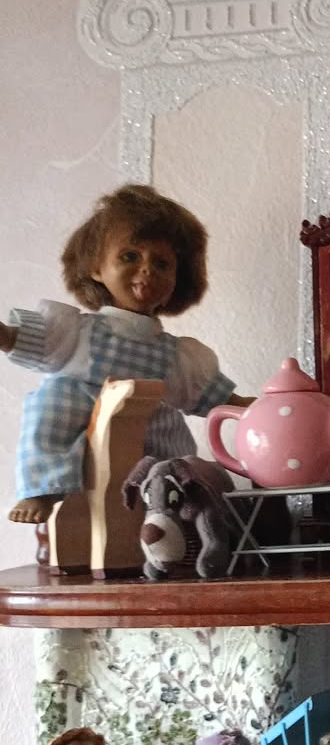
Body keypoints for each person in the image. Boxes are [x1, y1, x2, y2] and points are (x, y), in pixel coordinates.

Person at [0, 184, 250, 523]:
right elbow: (26, 340)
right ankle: (43, 488)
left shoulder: (177, 355)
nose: (147, 269)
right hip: (82, 427)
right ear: (96, 268)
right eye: (130, 256)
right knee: (51, 400)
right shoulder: (77, 332)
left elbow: (211, 397)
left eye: (162, 264)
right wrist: (6, 336)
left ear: (177, 281)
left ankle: (170, 509)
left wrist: (250, 406)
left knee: (176, 459)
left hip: (150, 436)